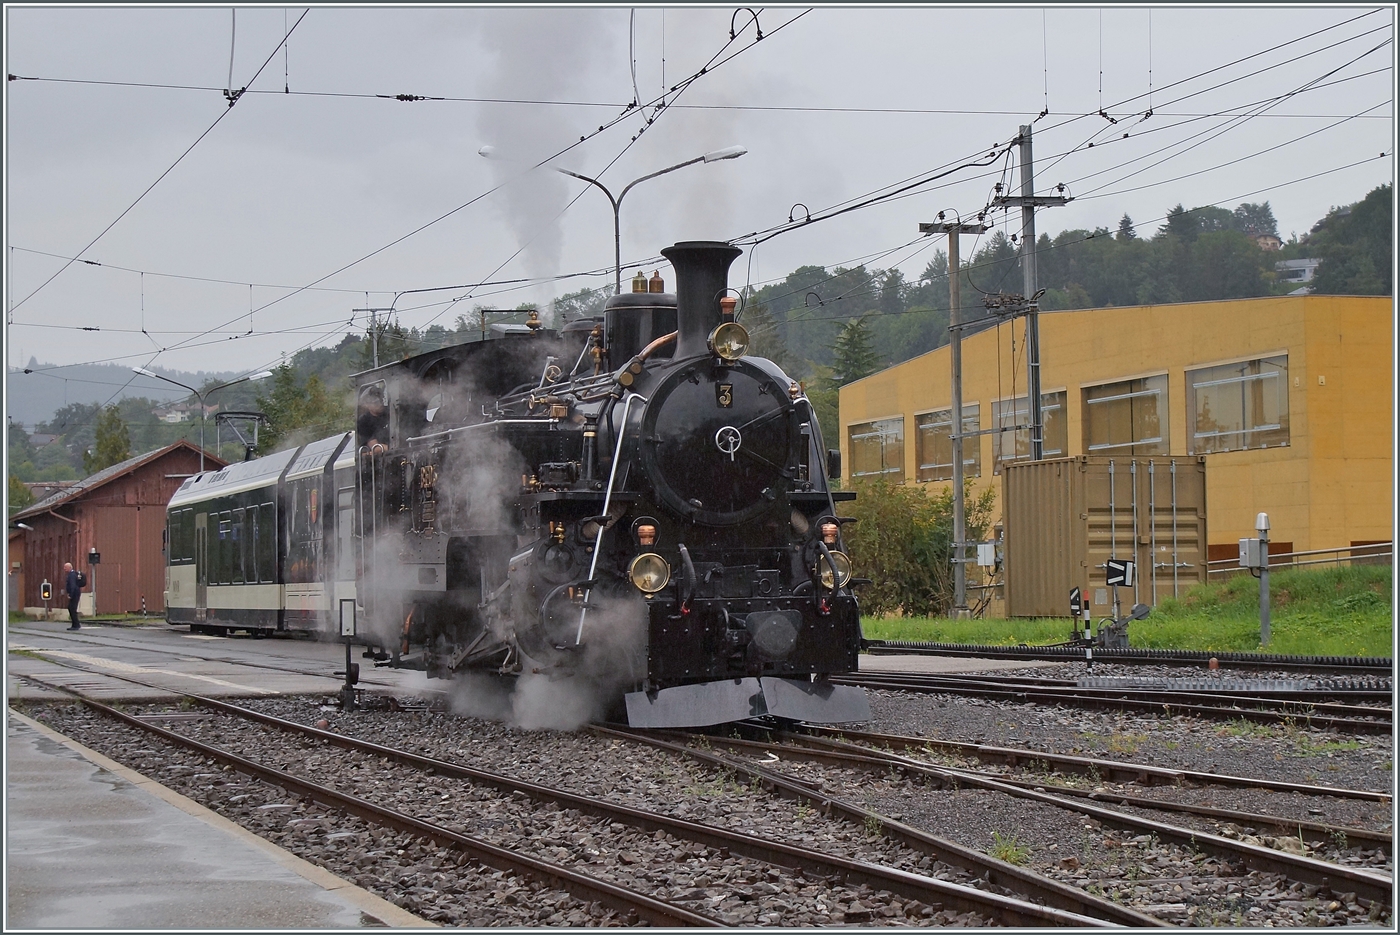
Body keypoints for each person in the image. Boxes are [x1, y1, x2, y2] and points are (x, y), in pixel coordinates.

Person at [64, 562, 82, 630]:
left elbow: (72, 585)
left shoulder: (71, 575)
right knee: (71, 608)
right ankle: (75, 624)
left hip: (74, 594)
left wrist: (71, 594)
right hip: (75, 593)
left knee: (72, 608)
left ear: (69, 567)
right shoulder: (73, 574)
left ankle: (76, 624)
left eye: (65, 567)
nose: (64, 569)